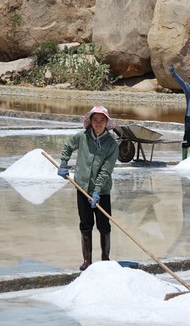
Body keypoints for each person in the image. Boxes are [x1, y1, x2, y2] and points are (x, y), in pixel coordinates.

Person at [57, 105, 119, 270]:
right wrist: (64, 162)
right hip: (82, 187)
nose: (98, 123)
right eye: (95, 120)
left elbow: (106, 169)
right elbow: (68, 146)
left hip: (102, 192)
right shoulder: (82, 137)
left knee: (104, 225)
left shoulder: (112, 144)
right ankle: (87, 261)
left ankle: (105, 260)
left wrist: (98, 189)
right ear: (90, 122)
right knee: (85, 224)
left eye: (102, 120)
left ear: (107, 122)